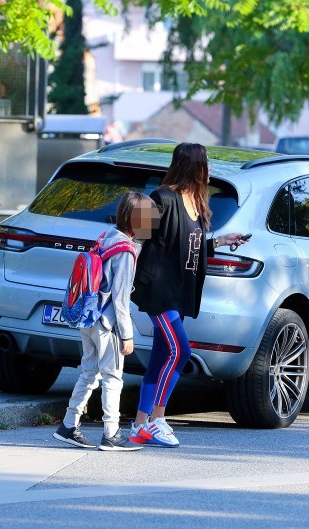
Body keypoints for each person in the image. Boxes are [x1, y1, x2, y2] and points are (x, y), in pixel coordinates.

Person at [128, 142, 249, 447]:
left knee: (159, 358)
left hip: (180, 293)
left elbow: (188, 248)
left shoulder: (195, 204)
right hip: (159, 292)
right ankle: (157, 419)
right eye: (206, 163)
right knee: (179, 351)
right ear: (195, 167)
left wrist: (220, 241)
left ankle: (139, 426)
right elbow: (139, 239)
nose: (209, 169)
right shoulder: (163, 197)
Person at [53, 192, 157, 451]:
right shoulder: (125, 251)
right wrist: (127, 334)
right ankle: (111, 434)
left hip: (88, 317)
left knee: (89, 372)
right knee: (113, 376)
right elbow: (120, 299)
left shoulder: (107, 237)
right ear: (136, 220)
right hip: (107, 323)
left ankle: (68, 424)